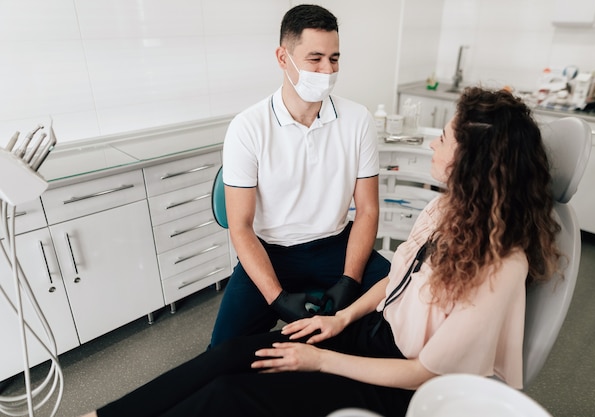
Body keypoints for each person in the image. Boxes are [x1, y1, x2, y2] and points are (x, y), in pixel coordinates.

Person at [81, 86, 562, 417]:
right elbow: (397, 280)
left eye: (442, 138)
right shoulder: (446, 209)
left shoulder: (501, 268)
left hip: (401, 387)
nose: (434, 145)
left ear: (472, 163)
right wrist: (342, 319)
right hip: (372, 337)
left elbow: (423, 373)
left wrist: (322, 360)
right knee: (234, 352)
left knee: (232, 393)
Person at [210, 4, 390, 347]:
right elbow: (241, 226)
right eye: (315, 58)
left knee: (402, 314)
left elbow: (367, 211)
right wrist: (278, 299)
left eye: (334, 58)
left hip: (337, 246)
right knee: (221, 353)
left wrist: (350, 281)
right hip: (271, 253)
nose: (327, 70)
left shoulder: (357, 120)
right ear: (283, 57)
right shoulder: (248, 128)